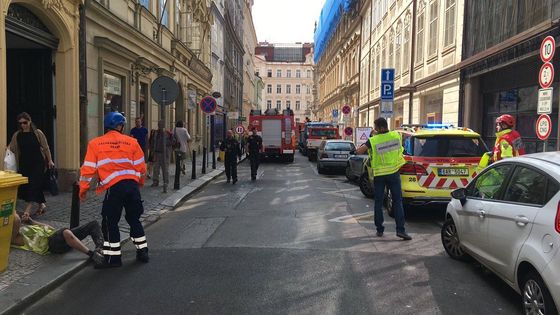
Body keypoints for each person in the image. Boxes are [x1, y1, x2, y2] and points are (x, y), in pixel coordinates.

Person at [79, 112, 149, 268]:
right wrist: (140, 184)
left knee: (110, 222)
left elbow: (88, 170)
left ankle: (114, 259)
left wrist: (82, 190)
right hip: (132, 186)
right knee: (133, 219)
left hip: (115, 188)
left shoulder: (95, 144)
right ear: (120, 126)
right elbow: (142, 168)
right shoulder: (132, 142)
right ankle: (142, 251)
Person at [356, 117, 412, 241]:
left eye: (375, 128)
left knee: (378, 202)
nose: (374, 130)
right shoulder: (396, 135)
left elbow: (359, 151)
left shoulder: (373, 140)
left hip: (380, 175)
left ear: (379, 128)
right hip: (394, 173)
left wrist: (370, 139)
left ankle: (380, 229)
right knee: (397, 201)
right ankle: (401, 230)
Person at [11, 212, 105, 266]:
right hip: (51, 244)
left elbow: (47, 227)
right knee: (66, 232)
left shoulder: (25, 228)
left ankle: (99, 248)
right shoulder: (15, 238)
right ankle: (92, 255)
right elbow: (16, 219)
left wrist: (30, 221)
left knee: (93, 224)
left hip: (57, 236)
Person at [9, 112, 55, 218]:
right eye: (20, 123)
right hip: (24, 164)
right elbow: (12, 147)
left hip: (38, 163)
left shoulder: (37, 133)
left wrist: (50, 160)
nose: (23, 125)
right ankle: (41, 205)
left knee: (34, 184)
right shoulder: (17, 135)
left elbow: (46, 147)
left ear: (30, 121)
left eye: (25, 122)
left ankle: (27, 211)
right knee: (30, 185)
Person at [149, 120, 172, 193]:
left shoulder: (168, 133)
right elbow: (152, 142)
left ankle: (166, 182)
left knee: (165, 169)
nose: (160, 126)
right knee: (156, 168)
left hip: (165, 154)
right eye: (159, 124)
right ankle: (155, 181)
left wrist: (167, 143)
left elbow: (173, 141)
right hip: (157, 153)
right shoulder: (155, 132)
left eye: (161, 124)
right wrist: (152, 151)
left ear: (163, 125)